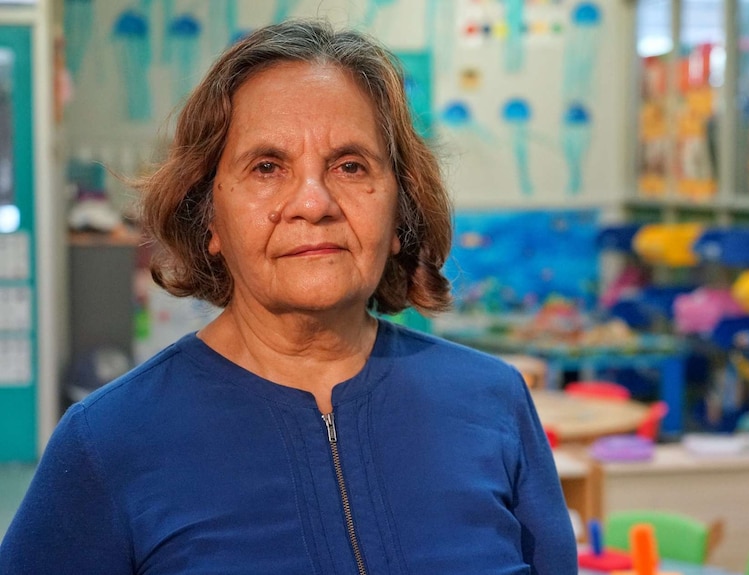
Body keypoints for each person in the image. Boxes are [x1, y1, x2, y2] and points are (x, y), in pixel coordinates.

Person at [0, 19, 578, 574]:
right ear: (210, 221)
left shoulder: (493, 403)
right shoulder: (106, 443)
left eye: (350, 166)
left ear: (399, 212)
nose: (313, 202)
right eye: (268, 167)